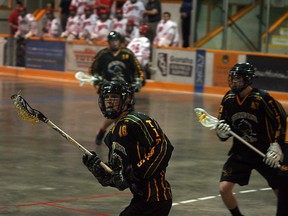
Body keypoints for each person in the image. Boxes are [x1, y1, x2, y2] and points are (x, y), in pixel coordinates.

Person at [82, 80, 174, 216]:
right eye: (106, 97)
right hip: (141, 199)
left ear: (127, 100)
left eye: (114, 97)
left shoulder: (138, 121)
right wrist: (101, 172)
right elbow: (122, 181)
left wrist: (137, 172)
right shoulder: (111, 136)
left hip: (156, 199)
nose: (109, 101)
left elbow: (164, 147)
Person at [215, 62, 285, 216]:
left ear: (247, 79)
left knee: (281, 191)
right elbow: (223, 127)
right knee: (224, 188)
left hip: (266, 154)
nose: (233, 81)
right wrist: (221, 132)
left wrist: (276, 145)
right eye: (232, 78)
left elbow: (282, 120)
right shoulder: (228, 98)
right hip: (242, 152)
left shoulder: (262, 98)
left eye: (238, 78)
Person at [89, 31, 144, 145]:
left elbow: (138, 70)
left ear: (120, 42)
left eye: (116, 41)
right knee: (116, 112)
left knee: (126, 113)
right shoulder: (102, 54)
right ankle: (112, 135)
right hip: (110, 90)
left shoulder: (127, 54)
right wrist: (97, 78)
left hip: (126, 89)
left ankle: (110, 133)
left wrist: (139, 81)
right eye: (112, 41)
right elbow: (93, 69)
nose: (114, 43)